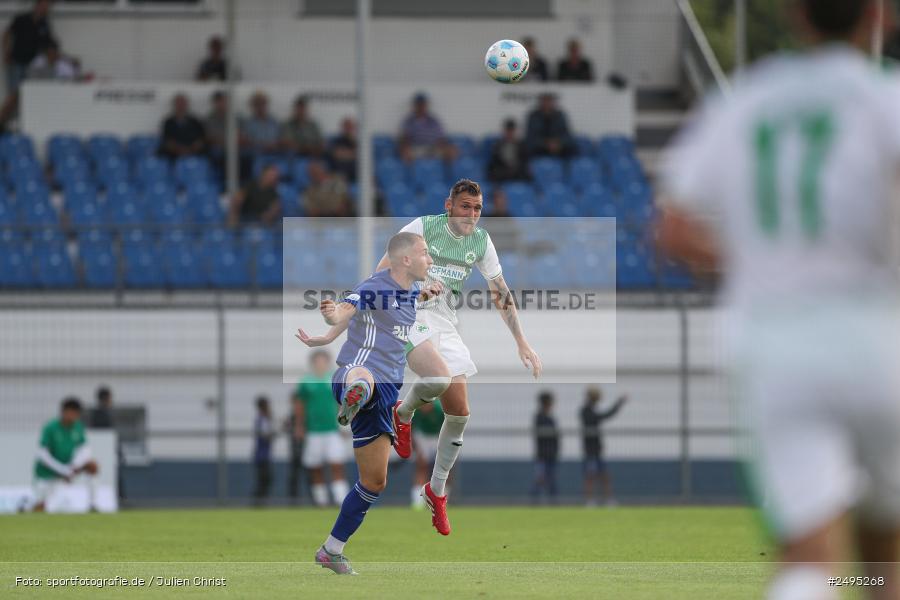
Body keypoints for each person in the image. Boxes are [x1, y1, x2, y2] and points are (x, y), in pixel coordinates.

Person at [656, 2, 900, 598]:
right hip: (874, 332)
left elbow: (673, 228)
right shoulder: (883, 97)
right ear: (878, 15)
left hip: (772, 340)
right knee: (886, 554)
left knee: (809, 560)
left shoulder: (745, 101)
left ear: (796, 15)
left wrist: (762, 266)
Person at [375, 178, 542, 536]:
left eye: (478, 208)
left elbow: (500, 291)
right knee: (436, 379)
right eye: (465, 206)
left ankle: (436, 492)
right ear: (449, 205)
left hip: (446, 322)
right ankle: (401, 413)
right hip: (410, 314)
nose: (472, 214)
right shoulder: (422, 227)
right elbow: (381, 271)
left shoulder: (481, 241)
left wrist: (521, 340)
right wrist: (414, 288)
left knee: (460, 412)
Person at [295, 231, 445, 575]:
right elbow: (348, 307)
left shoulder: (407, 292)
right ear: (406, 259)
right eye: (425, 253)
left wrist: (423, 293)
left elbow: (396, 306)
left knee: (374, 482)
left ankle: (331, 550)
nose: (430, 259)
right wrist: (332, 317)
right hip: (354, 373)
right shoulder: (373, 286)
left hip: (385, 396)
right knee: (364, 376)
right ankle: (356, 392)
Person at [293, 349, 350, 507]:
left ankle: (342, 500)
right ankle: (321, 501)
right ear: (313, 363)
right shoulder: (306, 381)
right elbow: (300, 405)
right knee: (315, 467)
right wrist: (299, 426)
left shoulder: (334, 379)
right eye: (317, 361)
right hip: (313, 431)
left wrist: (344, 424)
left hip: (332, 431)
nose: (320, 363)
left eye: (323, 360)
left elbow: (342, 402)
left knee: (336, 464)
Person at [33, 397, 99, 512]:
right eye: (72, 413)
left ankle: (92, 505)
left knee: (92, 466)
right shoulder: (50, 427)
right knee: (40, 506)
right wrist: (61, 469)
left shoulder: (78, 426)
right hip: (49, 472)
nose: (74, 417)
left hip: (70, 468)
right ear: (64, 412)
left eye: (76, 414)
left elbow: (84, 449)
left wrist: (74, 465)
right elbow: (42, 455)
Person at [1, 0, 53, 126]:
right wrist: (6, 52)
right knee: (14, 94)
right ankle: (4, 121)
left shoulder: (44, 24)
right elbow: (7, 34)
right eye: (44, 5)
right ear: (37, 5)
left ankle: (18, 123)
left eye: (48, 6)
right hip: (16, 62)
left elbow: (48, 45)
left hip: (32, 67)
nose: (46, 8)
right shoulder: (22, 19)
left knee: (28, 96)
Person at [580, 388, 627, 506]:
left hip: (596, 450)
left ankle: (608, 499)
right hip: (590, 450)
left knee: (605, 476)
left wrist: (618, 404)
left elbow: (604, 416)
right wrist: (618, 404)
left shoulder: (591, 411)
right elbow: (602, 416)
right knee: (590, 476)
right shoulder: (586, 411)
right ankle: (590, 501)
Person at [398, 92, 456, 162]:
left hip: (433, 148)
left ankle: (446, 171)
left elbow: (441, 137)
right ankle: (412, 171)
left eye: (423, 104)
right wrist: (406, 145)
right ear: (415, 106)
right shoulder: (409, 121)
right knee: (406, 152)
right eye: (419, 104)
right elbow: (404, 138)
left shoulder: (433, 120)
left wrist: (444, 146)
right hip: (416, 149)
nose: (421, 107)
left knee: (452, 151)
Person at [410, 400, 444, 509]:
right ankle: (417, 503)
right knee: (421, 467)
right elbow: (410, 431)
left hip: (438, 437)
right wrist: (418, 451)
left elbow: (447, 429)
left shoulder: (440, 409)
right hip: (422, 437)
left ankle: (441, 502)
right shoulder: (415, 410)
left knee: (444, 469)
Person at [525, 93, 575, 158]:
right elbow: (531, 136)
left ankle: (567, 167)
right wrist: (546, 144)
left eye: (549, 101)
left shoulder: (560, 116)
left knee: (572, 149)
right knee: (528, 149)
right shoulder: (533, 116)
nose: (547, 104)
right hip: (540, 147)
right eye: (545, 101)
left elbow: (566, 134)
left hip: (557, 145)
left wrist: (557, 143)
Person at [530, 391, 559, 503]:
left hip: (551, 455)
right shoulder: (540, 418)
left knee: (551, 480)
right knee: (540, 479)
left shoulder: (549, 418)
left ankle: (553, 503)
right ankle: (534, 501)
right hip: (542, 455)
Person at [159, 93, 206, 161]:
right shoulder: (168, 122)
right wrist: (180, 150)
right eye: (178, 103)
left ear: (186, 105)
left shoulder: (196, 121)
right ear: (174, 105)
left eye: (183, 103)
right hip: (174, 153)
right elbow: (167, 141)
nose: (181, 106)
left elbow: (201, 140)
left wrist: (190, 150)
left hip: (193, 152)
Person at [241, 91, 281, 157]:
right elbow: (246, 142)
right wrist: (262, 145)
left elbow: (279, 140)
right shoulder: (248, 124)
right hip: (256, 155)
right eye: (257, 104)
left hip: (274, 154)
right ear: (253, 106)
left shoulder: (274, 122)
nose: (260, 107)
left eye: (262, 103)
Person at [252, 395, 275, 505]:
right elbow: (265, 436)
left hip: (265, 454)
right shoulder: (261, 419)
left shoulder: (265, 419)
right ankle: (258, 501)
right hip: (261, 455)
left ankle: (261, 500)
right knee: (264, 479)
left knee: (266, 479)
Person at [329, 117, 358, 182]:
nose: (349, 129)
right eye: (347, 126)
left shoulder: (356, 142)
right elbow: (337, 154)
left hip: (354, 171)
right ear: (343, 127)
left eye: (350, 127)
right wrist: (352, 154)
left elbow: (361, 155)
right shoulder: (337, 141)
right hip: (340, 171)